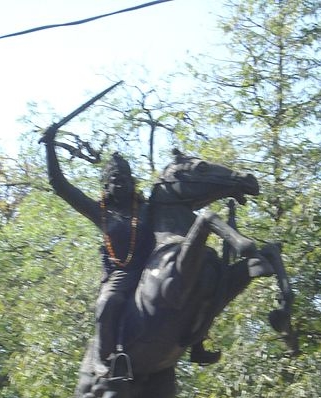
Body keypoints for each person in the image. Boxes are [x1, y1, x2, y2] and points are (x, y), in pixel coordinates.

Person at [41, 126, 221, 374]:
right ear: (106, 185)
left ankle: (198, 342)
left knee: (195, 280)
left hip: (155, 264)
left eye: (126, 179)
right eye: (115, 180)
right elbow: (60, 186)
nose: (121, 184)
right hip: (123, 273)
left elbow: (183, 200)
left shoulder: (147, 207)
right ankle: (103, 360)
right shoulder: (101, 213)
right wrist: (50, 146)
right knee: (107, 302)